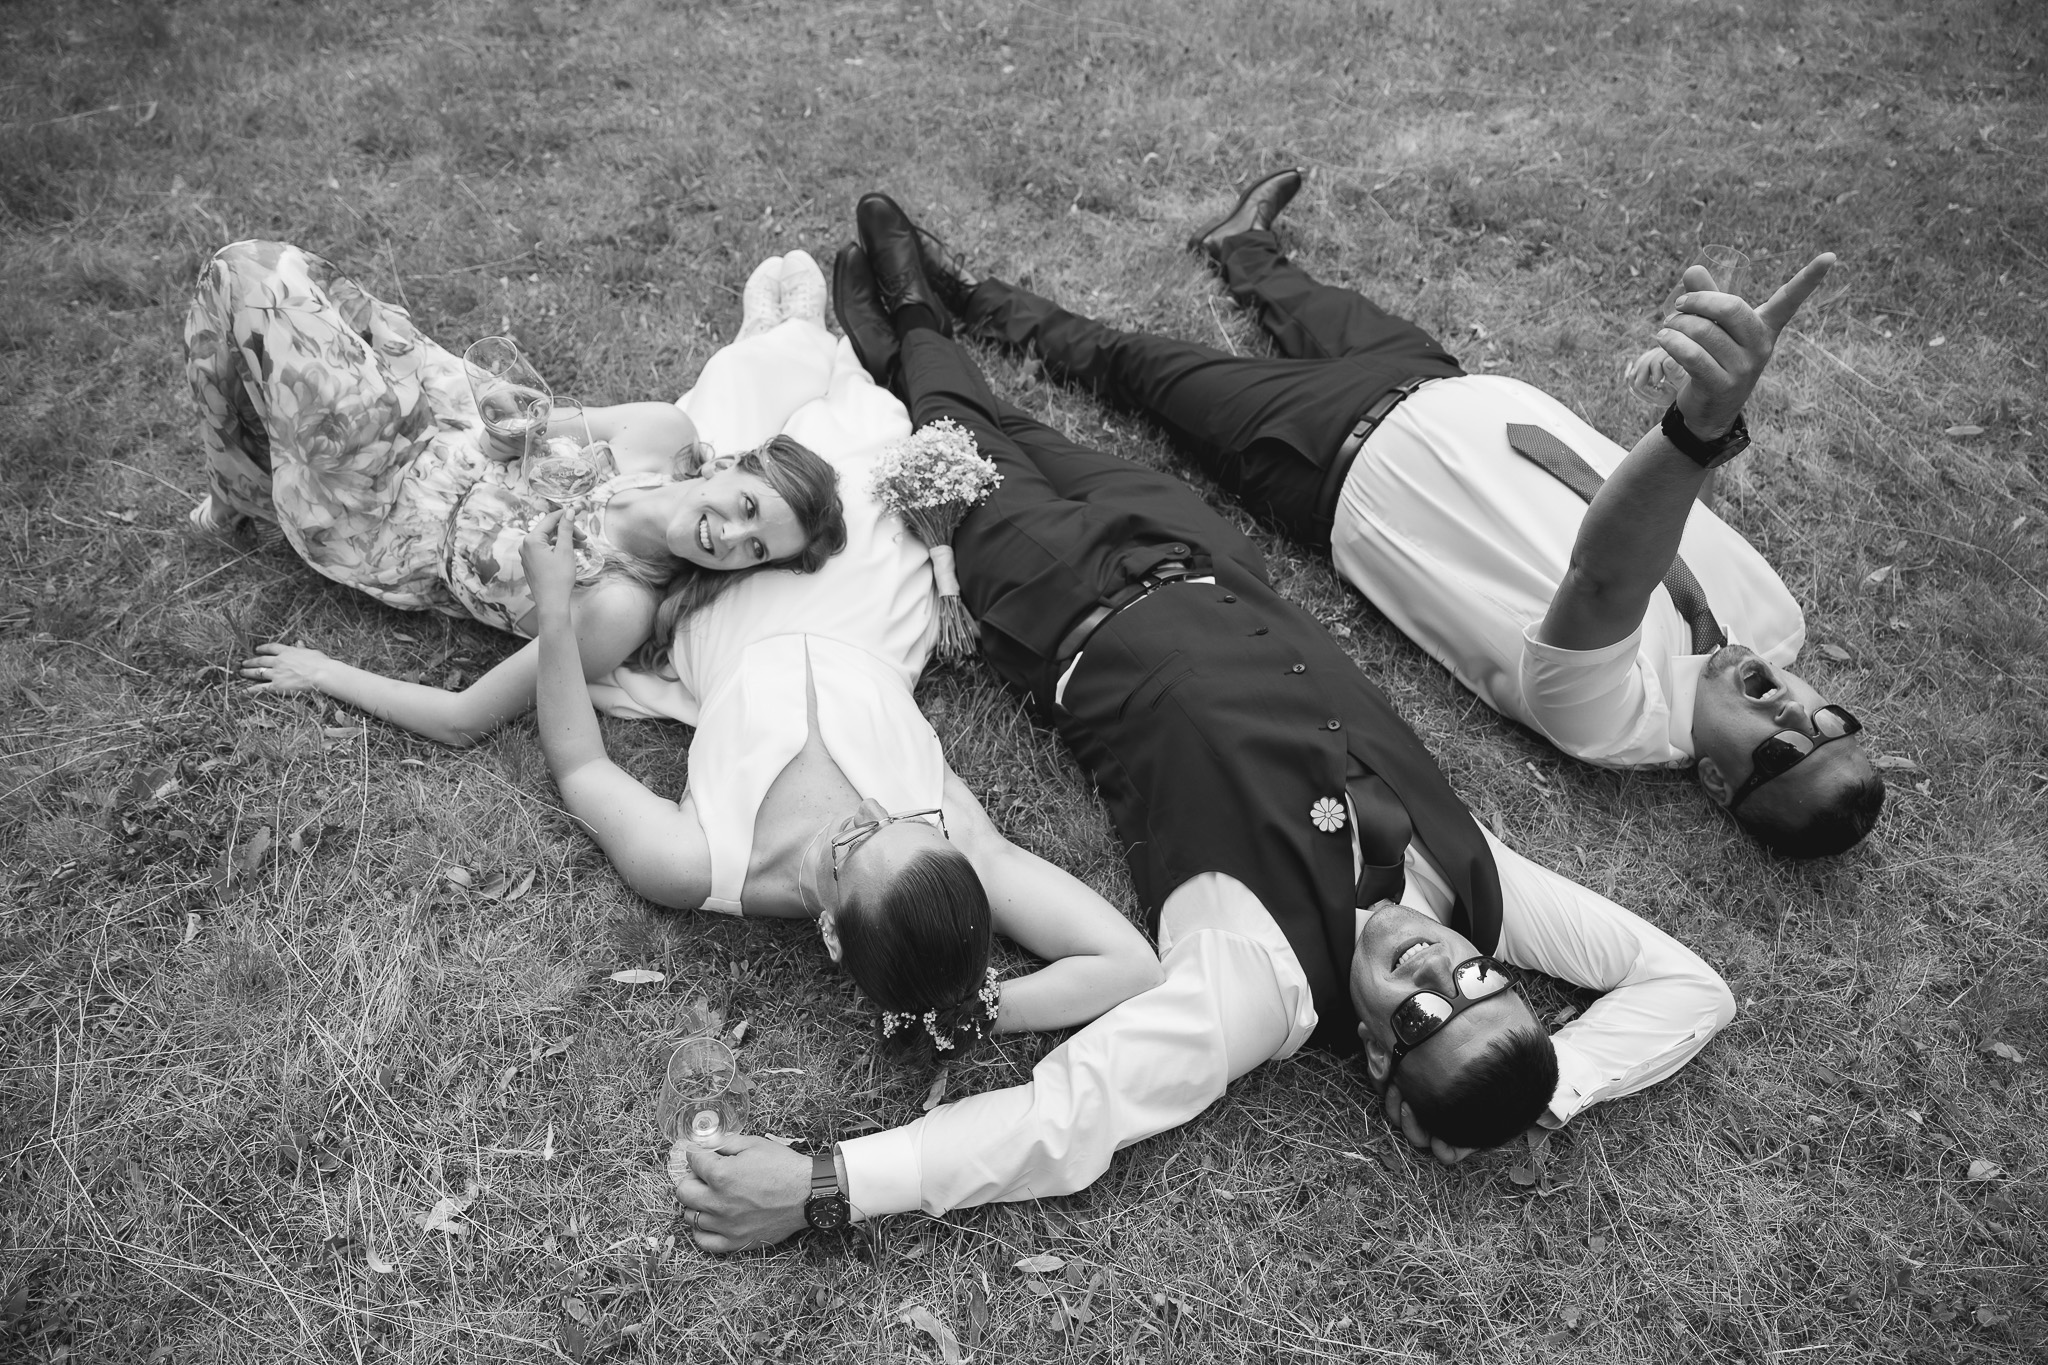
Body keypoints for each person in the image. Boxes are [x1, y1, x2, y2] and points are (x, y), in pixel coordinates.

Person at [661, 195, 1735, 1251]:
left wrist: (827, 1184)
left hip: (1063, 605)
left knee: (957, 436)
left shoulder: (1258, 991)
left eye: (1418, 1016)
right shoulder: (1479, 886)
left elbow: (1064, 1119)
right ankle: (912, 333)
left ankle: (906, 318)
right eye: (1477, 984)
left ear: (1375, 1055)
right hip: (1198, 556)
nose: (1434, 970)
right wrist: (1546, 1089)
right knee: (1024, 430)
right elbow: (1690, 987)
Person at [905, 170, 1884, 859]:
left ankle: (966, 303)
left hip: (1328, 455)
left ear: (1717, 784)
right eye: (1829, 719)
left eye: (1781, 750)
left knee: (1137, 366)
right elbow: (1669, 518)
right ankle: (1240, 245)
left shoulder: (1615, 720)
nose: (1790, 710)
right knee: (1308, 301)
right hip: (1456, 394)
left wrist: (1699, 427)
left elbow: (1608, 571)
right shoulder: (1777, 622)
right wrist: (1679, 407)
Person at [516, 300, 1162, 1065]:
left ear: (830, 930)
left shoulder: (697, 862)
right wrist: (966, 1006)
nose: (870, 809)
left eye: (856, 839)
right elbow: (1133, 963)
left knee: (743, 417)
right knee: (856, 427)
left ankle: (791, 323)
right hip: (868, 617)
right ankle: (820, 324)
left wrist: (554, 613)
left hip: (733, 618)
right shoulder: (948, 843)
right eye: (899, 819)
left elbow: (582, 765)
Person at [185, 242, 848, 746]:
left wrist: (322, 671)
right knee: (287, 284)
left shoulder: (619, 603)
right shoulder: (662, 432)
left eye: (755, 549)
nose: (729, 536)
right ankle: (236, 487)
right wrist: (512, 428)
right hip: (439, 408)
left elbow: (463, 718)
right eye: (748, 507)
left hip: (381, 506)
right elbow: (516, 429)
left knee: (250, 277)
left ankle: (239, 486)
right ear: (727, 466)